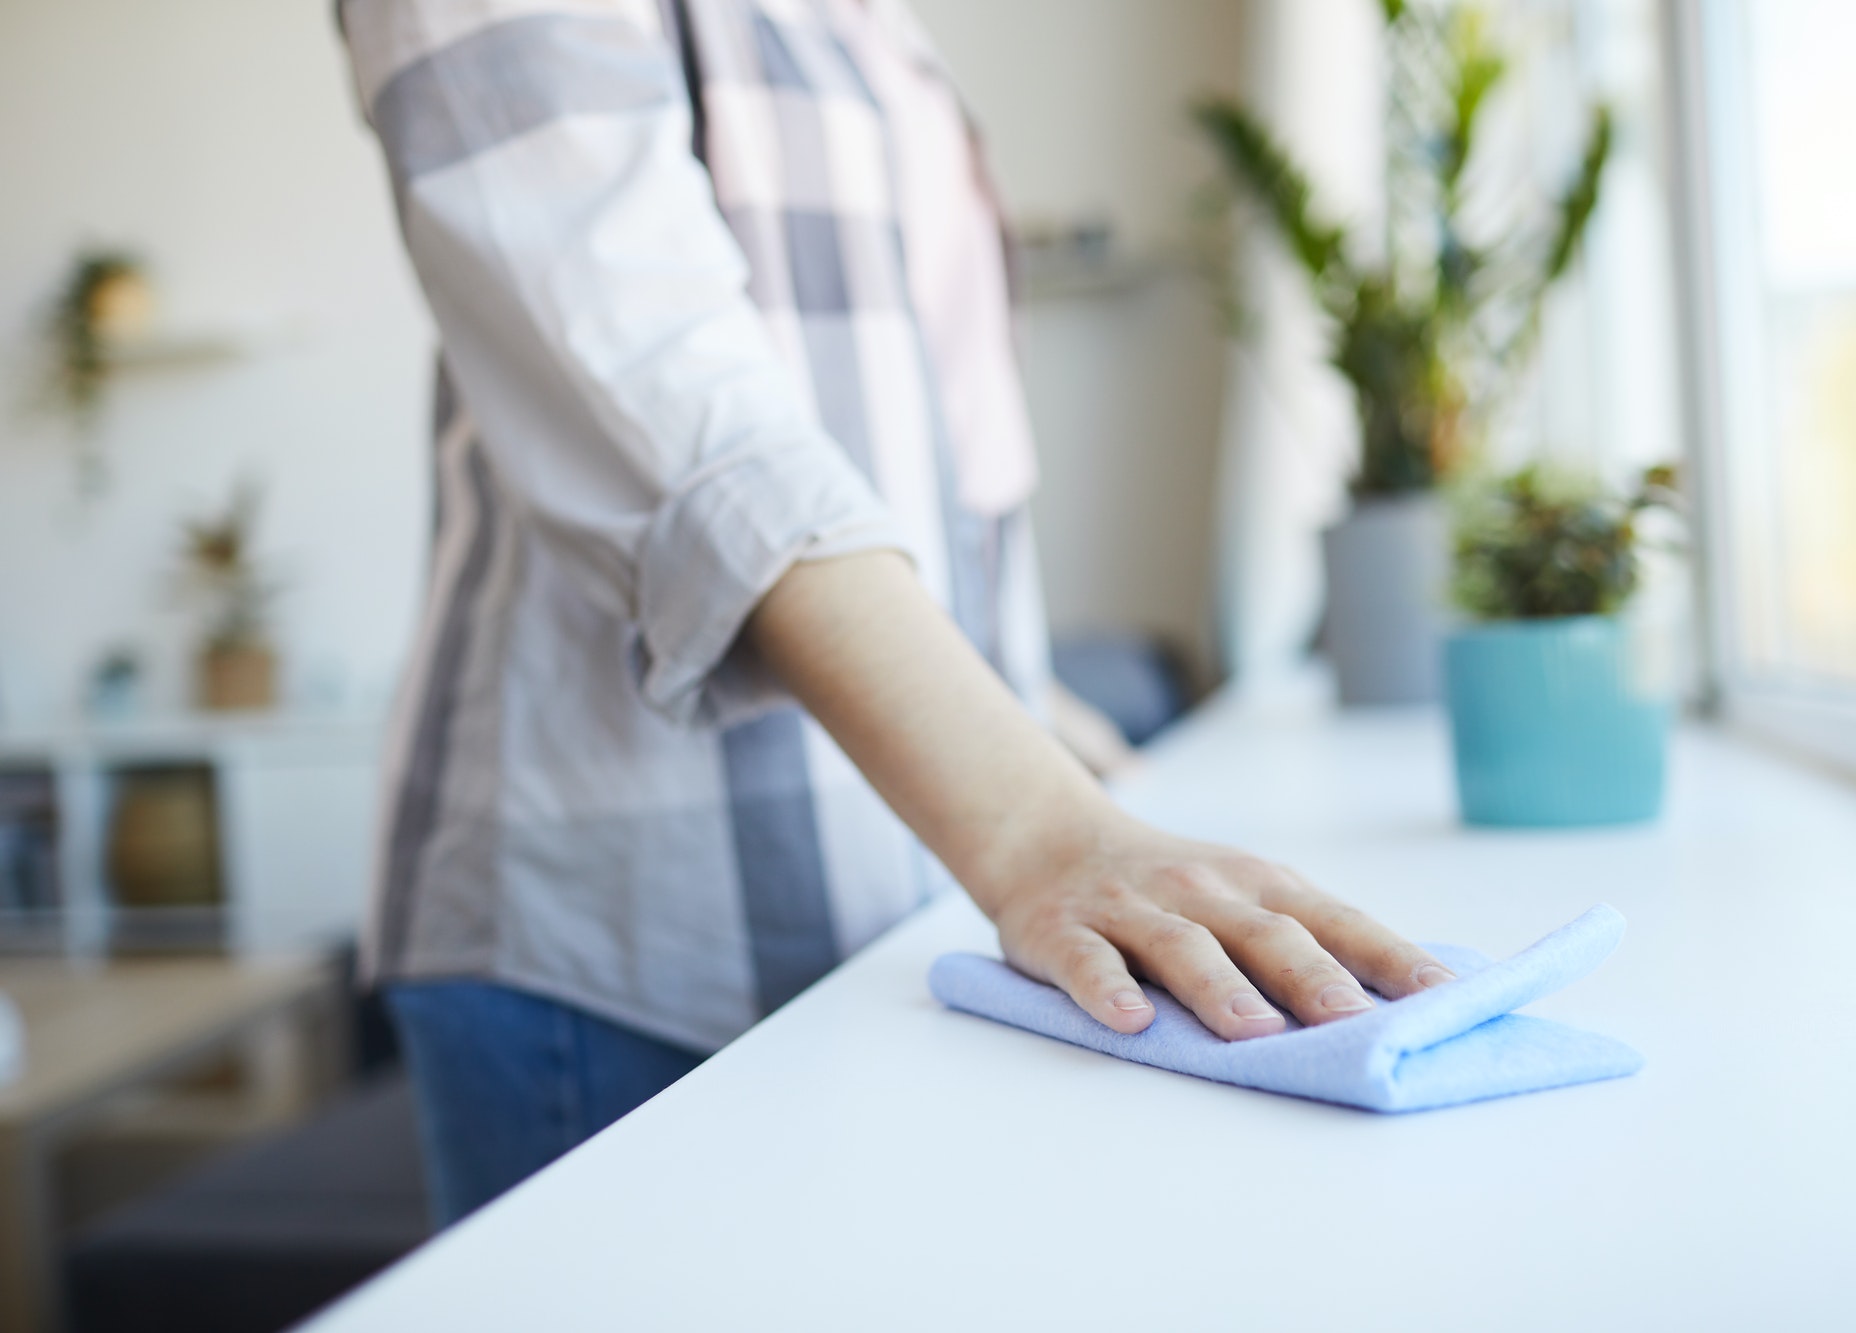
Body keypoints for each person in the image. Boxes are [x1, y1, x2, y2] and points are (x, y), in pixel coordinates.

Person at [337, 0, 1457, 1225]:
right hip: (619, 934)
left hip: (876, 898)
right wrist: (1037, 824)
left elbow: (907, 432)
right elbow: (659, 388)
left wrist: (1025, 702)